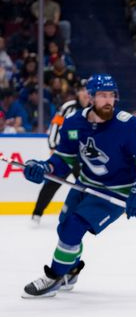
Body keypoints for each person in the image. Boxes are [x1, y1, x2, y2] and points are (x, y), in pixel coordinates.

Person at [20, 74, 136, 298]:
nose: (108, 101)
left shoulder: (128, 125)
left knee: (74, 227)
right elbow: (64, 160)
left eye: (111, 96)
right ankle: (71, 271)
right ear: (91, 97)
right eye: (102, 95)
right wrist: (44, 168)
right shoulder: (74, 122)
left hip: (116, 191)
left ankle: (54, 277)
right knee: (64, 227)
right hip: (85, 184)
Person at [31, 80, 90, 224]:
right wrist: (52, 146)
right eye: (83, 90)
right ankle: (37, 214)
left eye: (89, 91)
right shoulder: (68, 107)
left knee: (85, 186)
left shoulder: (94, 110)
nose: (86, 94)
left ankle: (82, 215)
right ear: (78, 92)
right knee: (51, 184)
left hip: (82, 158)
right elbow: (55, 126)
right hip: (64, 155)